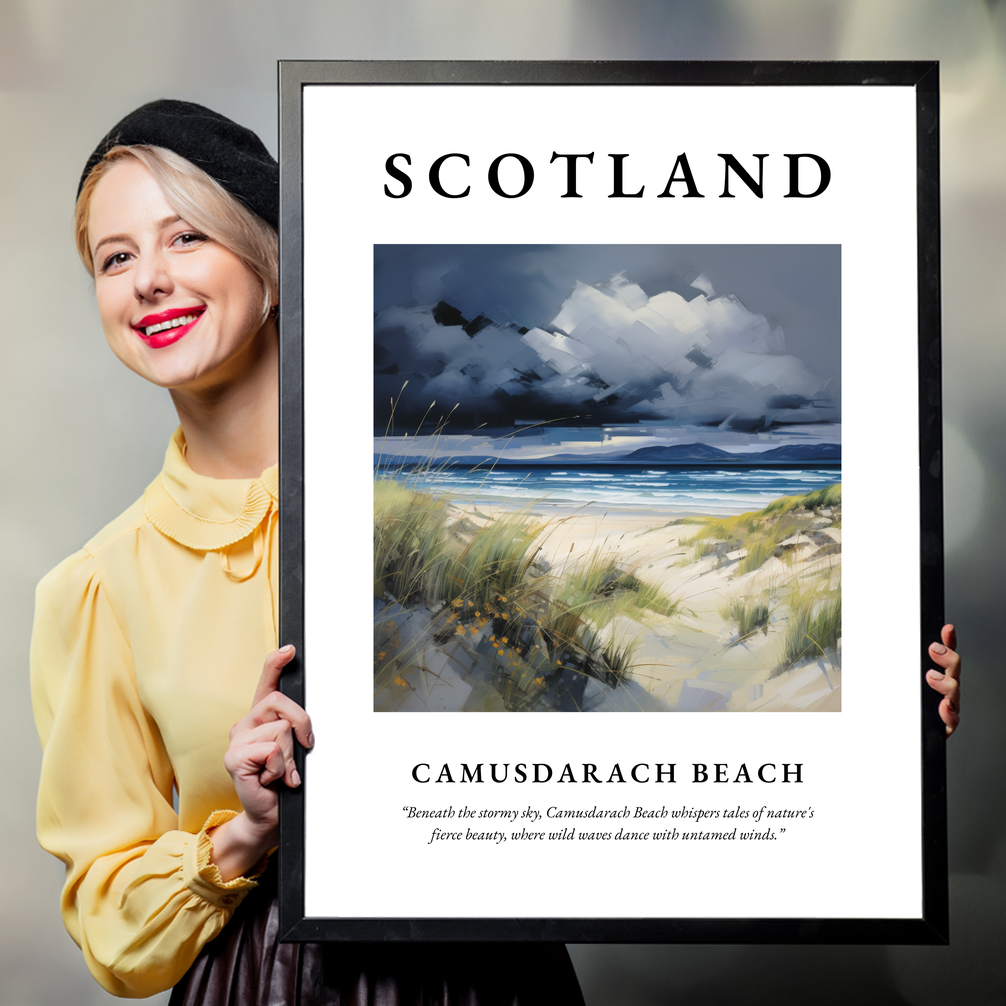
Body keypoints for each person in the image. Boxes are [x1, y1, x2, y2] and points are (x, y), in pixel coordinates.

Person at [30, 100, 585, 1004]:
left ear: (274, 264)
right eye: (116, 257)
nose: (148, 281)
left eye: (186, 239)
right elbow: (110, 924)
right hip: (263, 981)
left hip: (492, 974)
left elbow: (603, 715)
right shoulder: (98, 586)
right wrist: (245, 832)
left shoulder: (449, 503)